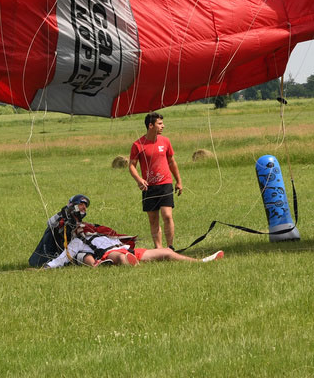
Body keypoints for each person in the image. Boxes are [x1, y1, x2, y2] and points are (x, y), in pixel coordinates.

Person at [41, 201, 223, 268]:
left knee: (166, 252)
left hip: (124, 249)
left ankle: (201, 262)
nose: (83, 227)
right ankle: (127, 265)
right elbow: (61, 259)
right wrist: (44, 269)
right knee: (121, 258)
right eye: (78, 226)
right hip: (110, 255)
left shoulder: (100, 233)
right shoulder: (77, 243)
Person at [129, 112, 183, 248]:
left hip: (165, 184)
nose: (163, 126)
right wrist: (139, 179)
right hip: (149, 187)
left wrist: (179, 181)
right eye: (160, 124)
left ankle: (170, 247)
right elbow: (131, 166)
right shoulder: (138, 144)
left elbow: (172, 162)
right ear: (150, 125)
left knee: (167, 216)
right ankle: (158, 248)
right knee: (153, 220)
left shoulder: (165, 141)